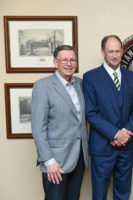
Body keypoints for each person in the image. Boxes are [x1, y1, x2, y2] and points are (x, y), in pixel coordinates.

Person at [82, 35, 133, 200]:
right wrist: (115, 134)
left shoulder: (130, 76)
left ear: (122, 51)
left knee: (123, 193)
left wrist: (125, 132)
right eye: (110, 52)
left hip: (126, 147)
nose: (115, 55)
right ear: (103, 52)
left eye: (117, 51)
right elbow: (91, 113)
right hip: (102, 147)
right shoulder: (90, 78)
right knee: (99, 194)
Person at [31, 45, 89, 200]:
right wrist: (49, 161)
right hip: (56, 161)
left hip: (79, 158)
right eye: (64, 60)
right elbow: (38, 128)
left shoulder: (81, 84)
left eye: (72, 60)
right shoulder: (42, 86)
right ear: (55, 62)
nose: (69, 63)